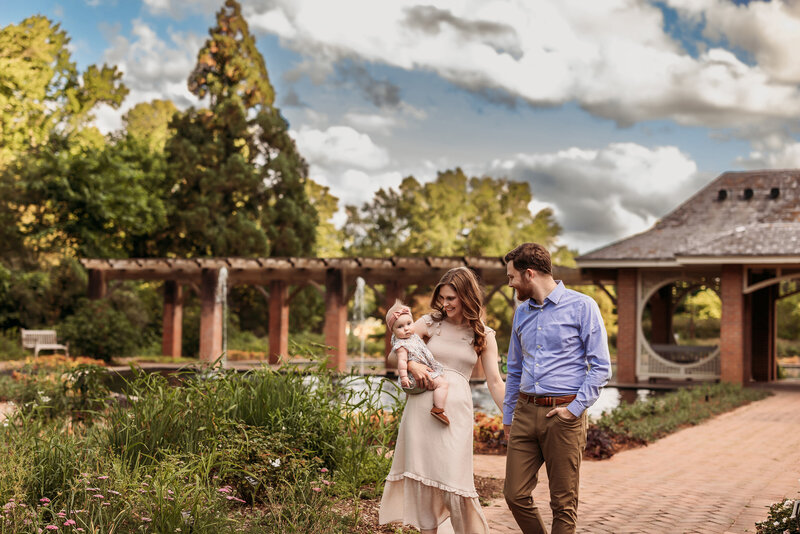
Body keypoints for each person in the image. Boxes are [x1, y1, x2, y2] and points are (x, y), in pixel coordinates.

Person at [380, 267, 506, 534]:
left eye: (452, 298)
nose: (445, 304)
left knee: (454, 481)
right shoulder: (429, 323)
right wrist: (412, 366)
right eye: (443, 298)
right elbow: (396, 351)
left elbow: (495, 382)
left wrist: (511, 416)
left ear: (467, 296)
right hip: (420, 413)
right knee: (424, 481)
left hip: (455, 416)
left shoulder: (483, 334)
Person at [502, 243, 612, 534]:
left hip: (563, 415)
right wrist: (508, 416)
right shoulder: (521, 313)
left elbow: (600, 366)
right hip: (525, 412)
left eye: (512, 277)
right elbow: (513, 370)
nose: (510, 282)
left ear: (529, 274)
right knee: (514, 494)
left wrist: (574, 410)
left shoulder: (582, 306)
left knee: (563, 504)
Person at [386, 300, 451, 425]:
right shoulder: (402, 345)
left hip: (417, 377)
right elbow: (402, 362)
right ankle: (438, 409)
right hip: (414, 379)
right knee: (442, 384)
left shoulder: (413, 337)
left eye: (409, 323)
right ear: (393, 331)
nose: (406, 329)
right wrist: (404, 378)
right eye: (400, 327)